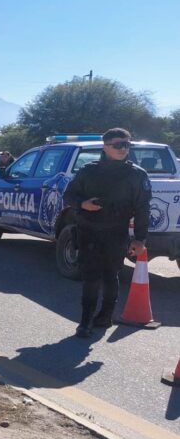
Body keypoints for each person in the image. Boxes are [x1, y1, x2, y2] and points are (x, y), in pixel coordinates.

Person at [62, 128, 151, 338]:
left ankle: (105, 316)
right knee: (91, 277)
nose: (123, 149)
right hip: (88, 232)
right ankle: (85, 322)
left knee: (111, 275)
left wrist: (140, 239)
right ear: (105, 147)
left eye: (127, 145)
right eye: (118, 145)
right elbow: (69, 195)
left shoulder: (137, 174)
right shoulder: (88, 171)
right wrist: (82, 204)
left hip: (116, 232)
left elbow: (142, 208)